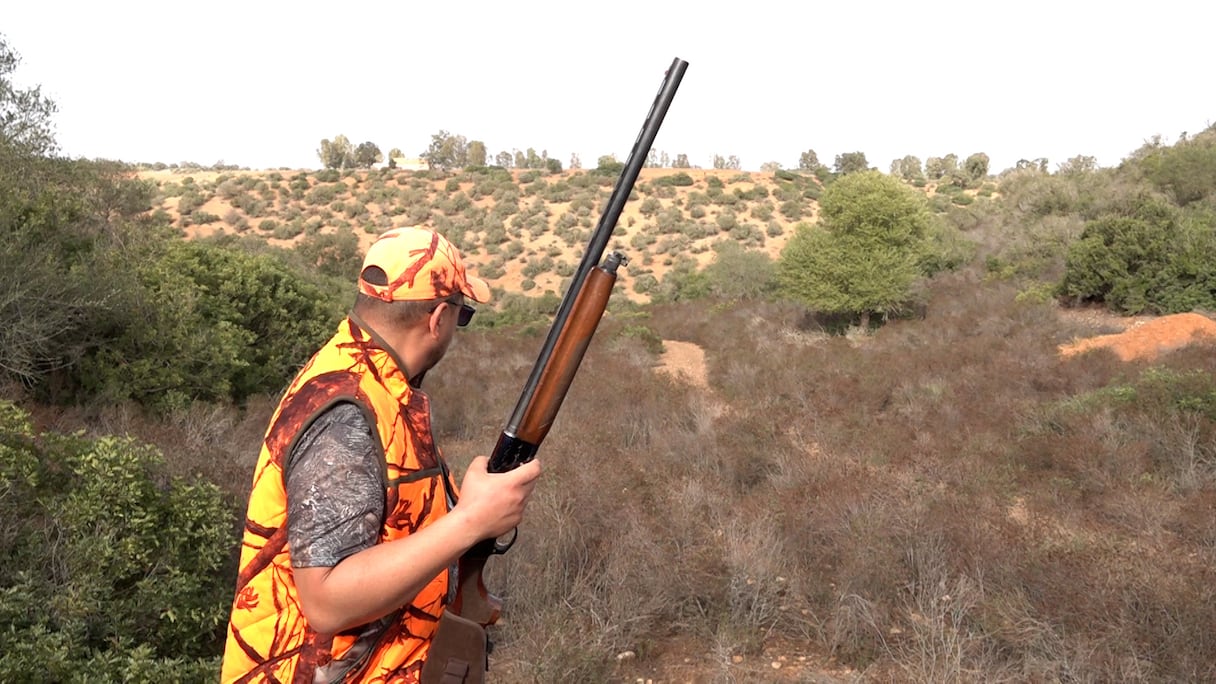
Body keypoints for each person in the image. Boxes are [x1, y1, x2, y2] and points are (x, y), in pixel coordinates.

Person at [222, 226, 542, 683]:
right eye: (461, 314)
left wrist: (463, 507)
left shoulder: (374, 382)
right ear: (437, 319)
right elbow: (326, 599)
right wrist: (470, 520)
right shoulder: (349, 412)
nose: (455, 326)